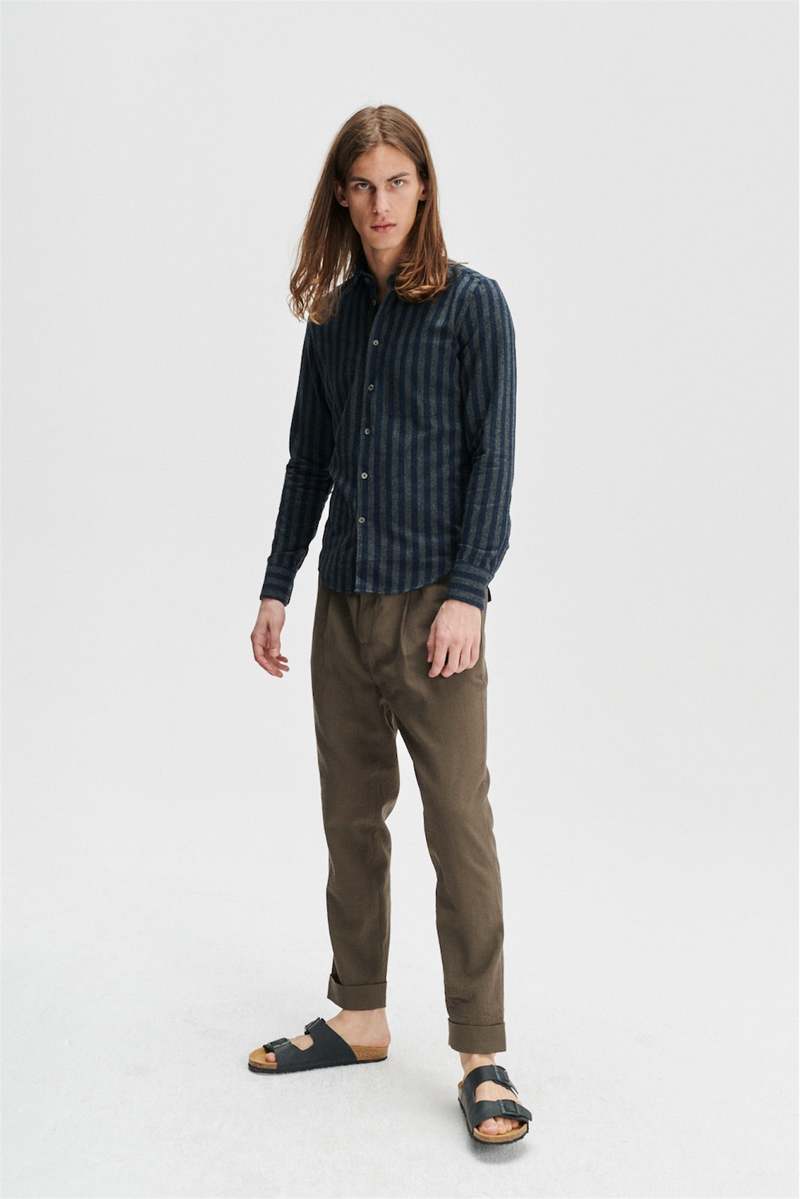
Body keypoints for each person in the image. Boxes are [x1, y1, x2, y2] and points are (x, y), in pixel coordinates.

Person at [248, 105, 531, 1146]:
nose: (379, 203)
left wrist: (469, 591)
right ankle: (358, 1013)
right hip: (344, 606)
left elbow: (492, 460)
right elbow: (307, 462)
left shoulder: (473, 306)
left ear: (424, 188)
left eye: (397, 182)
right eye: (362, 185)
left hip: (434, 612)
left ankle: (481, 1053)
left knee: (457, 824)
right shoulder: (330, 316)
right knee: (350, 818)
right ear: (341, 194)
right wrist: (277, 584)